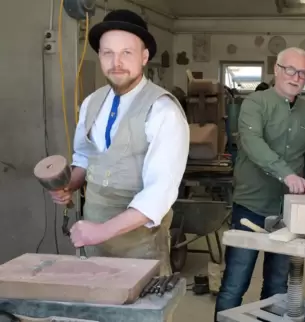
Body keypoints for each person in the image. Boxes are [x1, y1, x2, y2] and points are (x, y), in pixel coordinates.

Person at [48, 9, 189, 277]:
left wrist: (101, 231)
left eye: (127, 52)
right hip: (92, 236)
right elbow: (85, 158)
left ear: (144, 56)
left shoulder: (162, 110)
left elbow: (159, 193)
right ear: (99, 55)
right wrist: (69, 183)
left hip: (138, 244)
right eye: (107, 53)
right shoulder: (92, 102)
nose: (117, 62)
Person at [214, 47, 305, 319]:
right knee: (235, 283)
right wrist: (286, 174)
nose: (297, 78)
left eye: (303, 73)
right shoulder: (254, 103)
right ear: (276, 69)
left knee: (277, 287)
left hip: (288, 211)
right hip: (251, 207)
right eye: (291, 70)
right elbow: (252, 144)